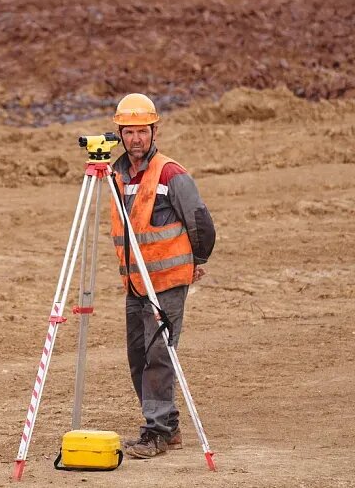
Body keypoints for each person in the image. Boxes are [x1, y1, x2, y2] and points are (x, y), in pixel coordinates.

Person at [109, 93, 216, 459]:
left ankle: (155, 432)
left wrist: (195, 260)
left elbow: (201, 222)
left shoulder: (171, 173)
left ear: (154, 131)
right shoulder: (117, 174)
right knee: (139, 355)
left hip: (168, 282)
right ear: (120, 135)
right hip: (135, 282)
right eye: (129, 132)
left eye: (142, 131)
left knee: (159, 354)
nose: (136, 139)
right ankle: (167, 426)